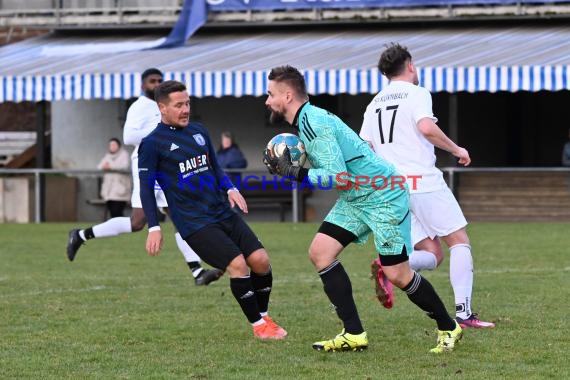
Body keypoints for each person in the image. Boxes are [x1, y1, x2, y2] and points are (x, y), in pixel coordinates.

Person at [263, 65, 461, 353]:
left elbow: (338, 175)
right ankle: (353, 333)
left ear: (288, 95)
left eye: (271, 94)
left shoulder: (313, 122)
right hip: (357, 197)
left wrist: (296, 173)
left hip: (383, 195)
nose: (267, 100)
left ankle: (449, 327)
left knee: (398, 274)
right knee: (320, 253)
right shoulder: (308, 120)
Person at [359, 43, 494, 328]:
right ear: (409, 65)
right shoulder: (417, 93)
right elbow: (426, 128)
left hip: (393, 189)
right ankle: (464, 313)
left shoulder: (374, 103)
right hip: (423, 182)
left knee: (433, 254)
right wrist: (457, 149)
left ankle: (388, 266)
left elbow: (366, 147)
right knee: (460, 242)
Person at [67, 68, 222, 286]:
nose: (156, 84)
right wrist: (161, 134)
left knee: (161, 218)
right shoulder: (139, 106)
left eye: (160, 80)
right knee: (152, 219)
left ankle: (197, 272)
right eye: (152, 81)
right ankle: (80, 235)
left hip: (165, 165)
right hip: (147, 165)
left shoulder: (162, 105)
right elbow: (128, 136)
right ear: (142, 85)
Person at [97, 138, 131, 218]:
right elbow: (100, 166)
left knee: (117, 211)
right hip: (108, 189)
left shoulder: (124, 154)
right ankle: (117, 228)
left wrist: (110, 166)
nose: (112, 146)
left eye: (114, 144)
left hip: (120, 188)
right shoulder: (107, 156)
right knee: (112, 212)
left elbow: (124, 166)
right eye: (110, 145)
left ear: (118, 145)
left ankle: (122, 227)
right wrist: (105, 166)